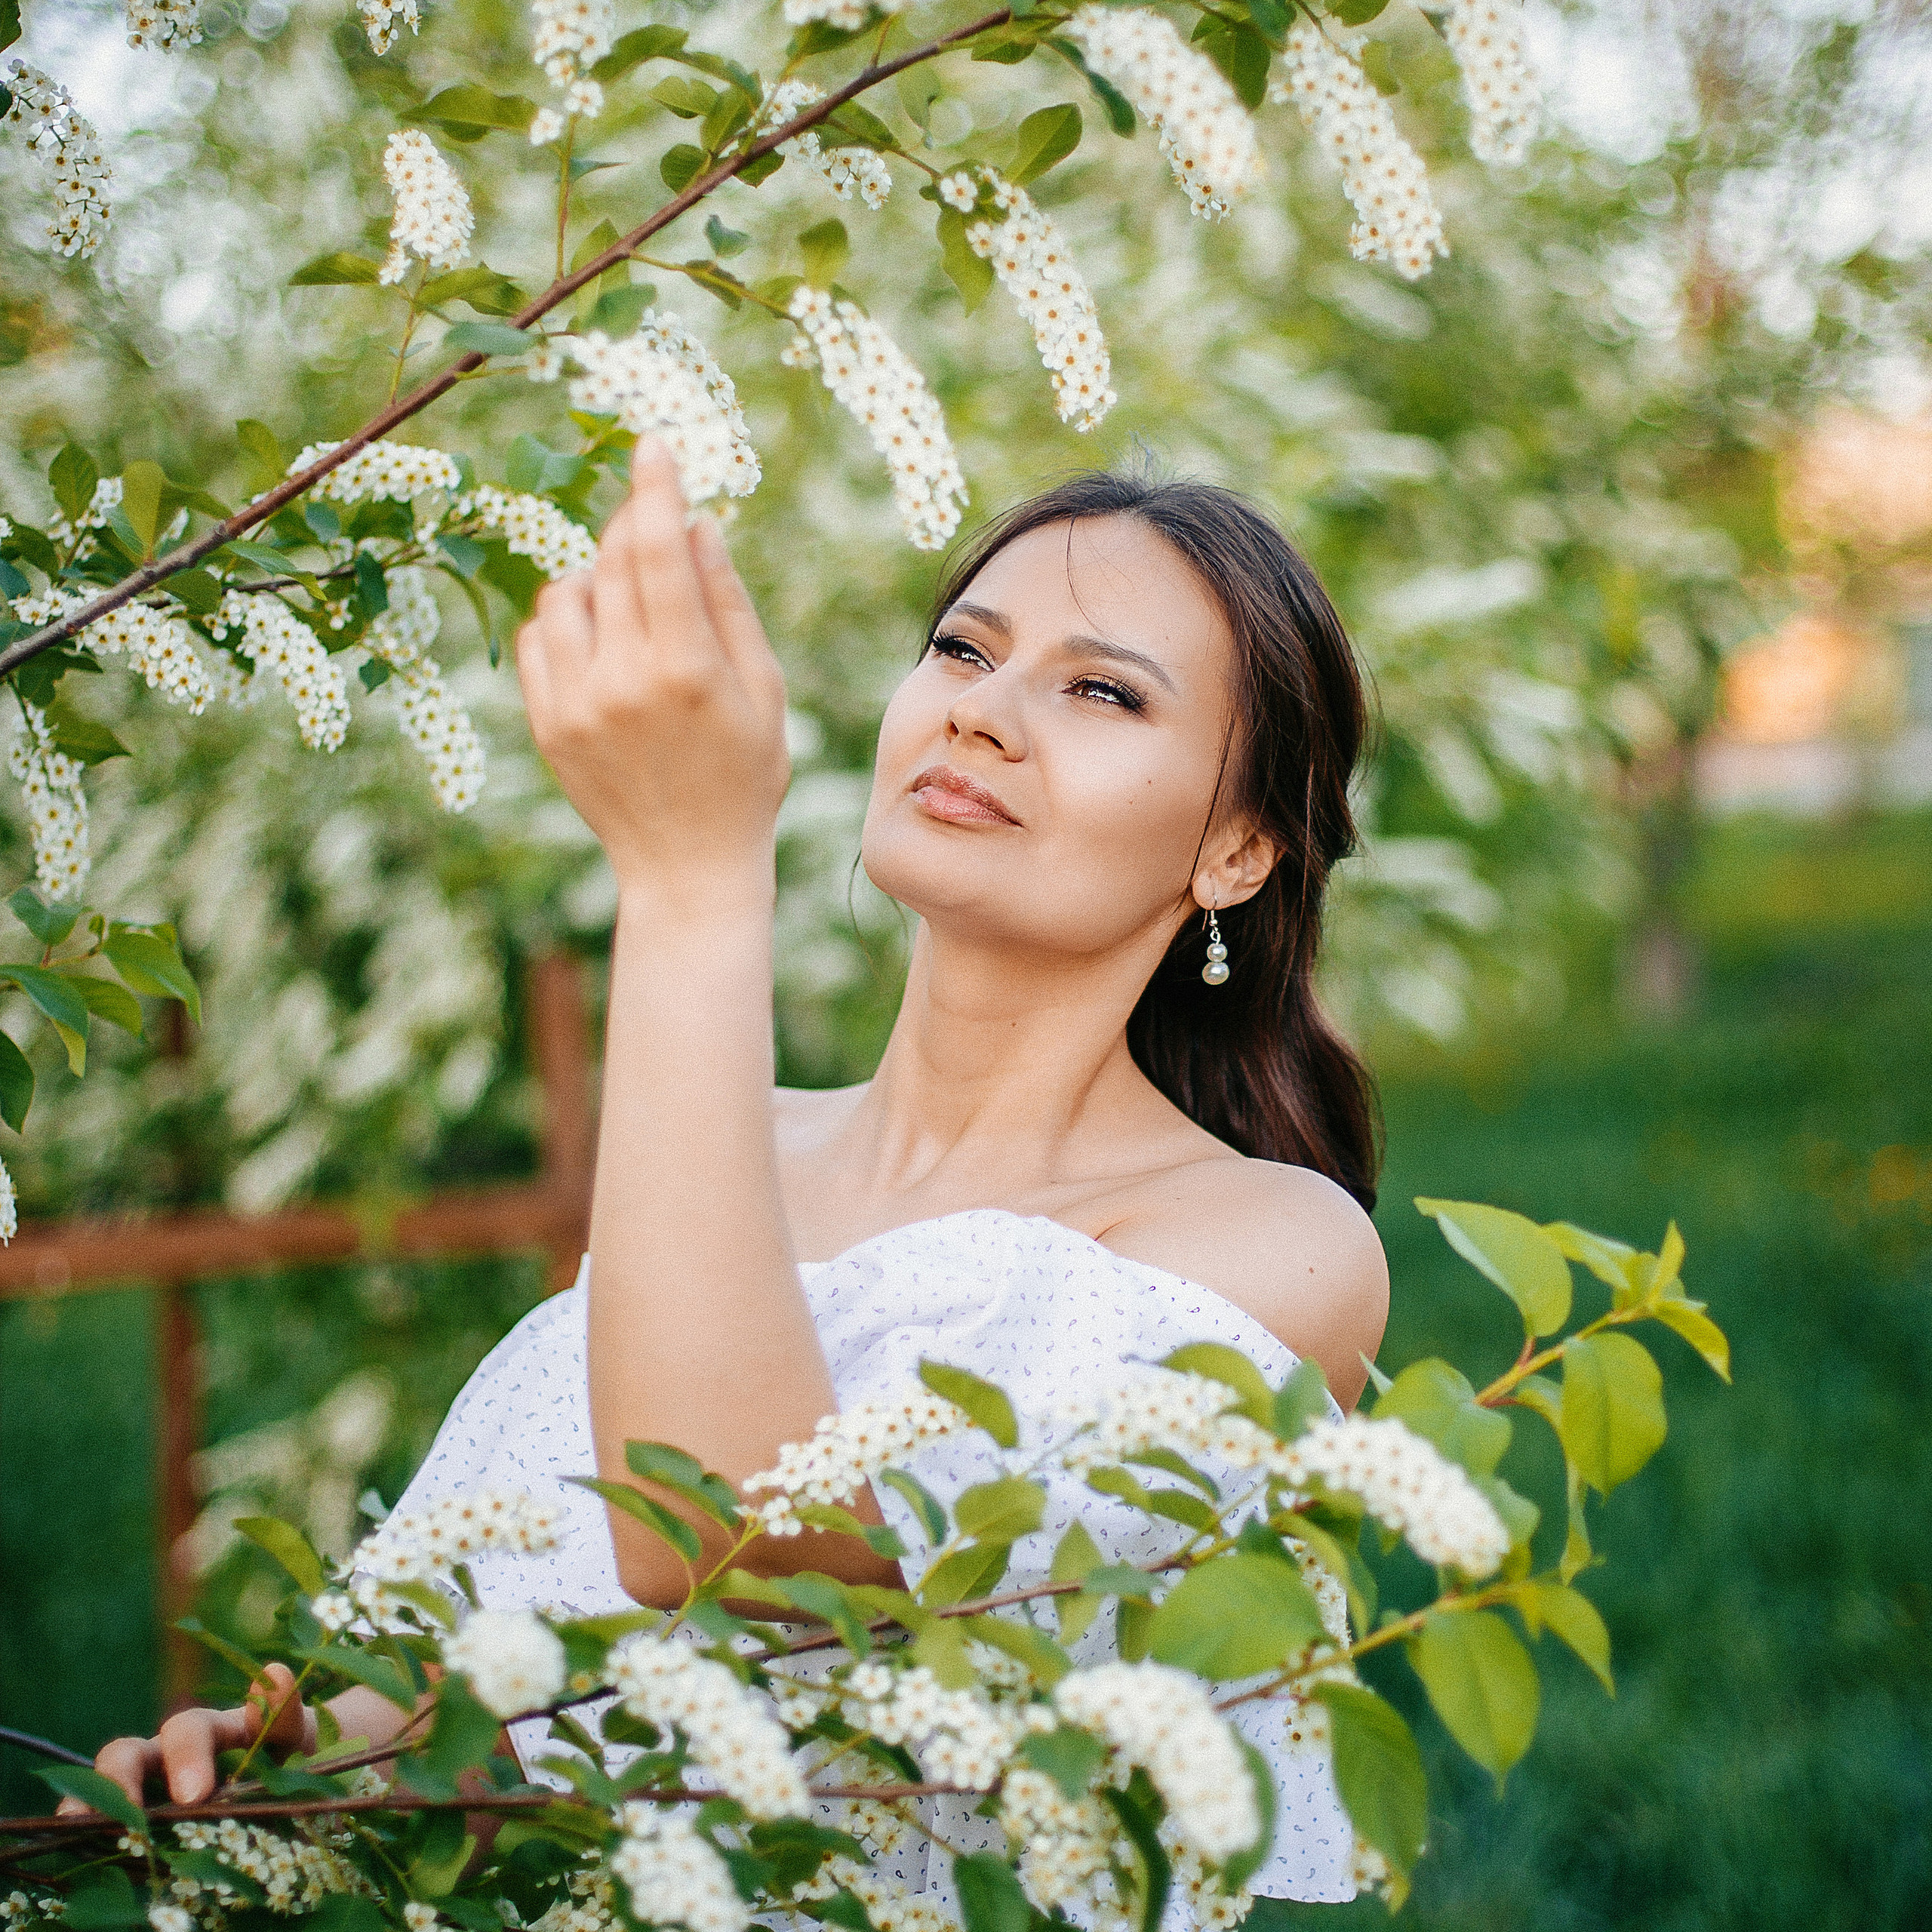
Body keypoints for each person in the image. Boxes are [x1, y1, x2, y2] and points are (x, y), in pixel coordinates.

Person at [76, 448, 1390, 1901]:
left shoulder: (1276, 1252)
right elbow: (529, 1686)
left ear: (1238, 849)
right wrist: (302, 1767)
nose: (980, 710)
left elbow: (729, 1548)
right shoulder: (731, 1146)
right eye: (965, 649)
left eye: (1103, 691)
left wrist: (692, 874)